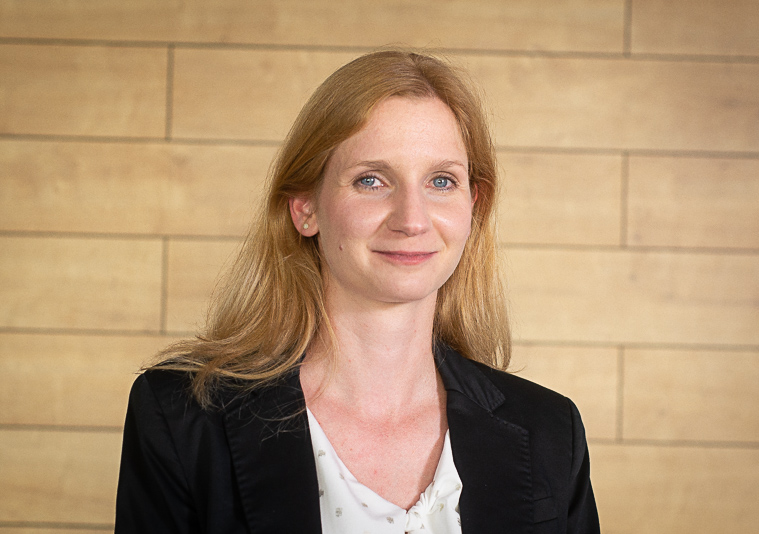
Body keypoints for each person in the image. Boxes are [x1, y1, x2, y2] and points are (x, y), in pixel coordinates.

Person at [115, 49, 600, 533]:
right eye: (371, 180)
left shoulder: (551, 431)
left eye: (441, 180)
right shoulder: (183, 417)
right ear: (305, 208)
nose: (412, 220)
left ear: (473, 207)